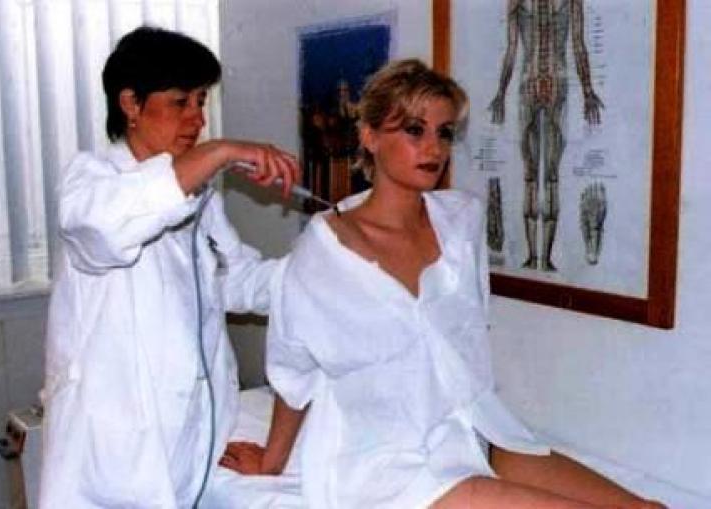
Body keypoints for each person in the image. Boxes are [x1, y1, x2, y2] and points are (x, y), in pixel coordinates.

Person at [222, 59, 662, 508]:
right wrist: (271, 463)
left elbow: (467, 336)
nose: (434, 148)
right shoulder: (321, 254)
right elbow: (294, 372)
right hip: (388, 465)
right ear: (369, 136)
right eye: (414, 130)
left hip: (474, 431)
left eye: (445, 132)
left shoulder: (462, 220)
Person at [39, 26, 300, 508]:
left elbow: (235, 281)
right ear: (131, 104)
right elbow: (107, 232)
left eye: (201, 101)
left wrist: (324, 265)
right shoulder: (91, 180)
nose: (197, 118)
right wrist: (219, 152)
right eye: (181, 102)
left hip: (188, 438)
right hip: (114, 455)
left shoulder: (200, 197)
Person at [489, 0, 604, 271]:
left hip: (547, 87)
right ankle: (534, 257)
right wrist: (501, 93)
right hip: (541, 86)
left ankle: (543, 258)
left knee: (548, 175)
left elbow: (578, 44)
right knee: (534, 175)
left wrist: (588, 91)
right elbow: (513, 49)